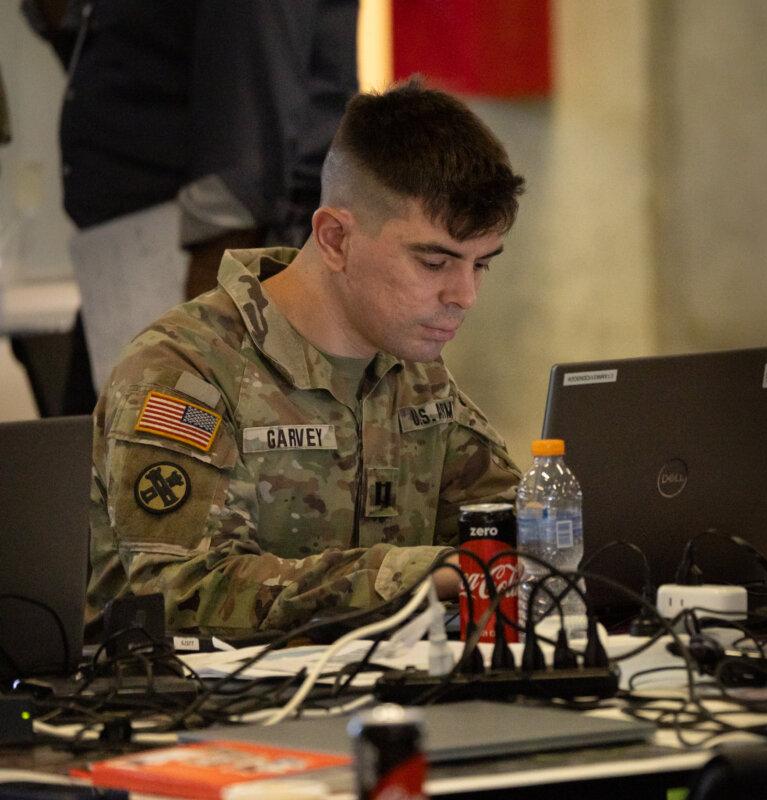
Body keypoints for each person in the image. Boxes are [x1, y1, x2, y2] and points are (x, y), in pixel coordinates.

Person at [87, 80, 525, 637]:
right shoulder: (184, 372)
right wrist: (422, 573)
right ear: (336, 239)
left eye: (481, 264)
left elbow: (501, 519)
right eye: (434, 263)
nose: (463, 295)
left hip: (369, 696)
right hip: (196, 714)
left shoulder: (409, 366)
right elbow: (182, 592)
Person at [20, 0, 357, 395]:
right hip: (133, 271)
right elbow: (125, 64)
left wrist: (195, 357)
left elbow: (243, 161)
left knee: (172, 438)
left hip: (207, 269)